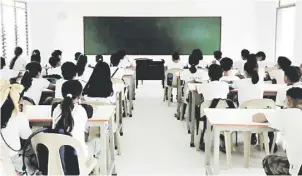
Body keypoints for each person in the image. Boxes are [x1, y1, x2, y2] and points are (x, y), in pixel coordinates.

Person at [253, 87, 302, 175]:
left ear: (288, 100)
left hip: (299, 168)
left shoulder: (287, 113)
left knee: (268, 161)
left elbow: (257, 118)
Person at [52, 80, 101, 163]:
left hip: (59, 156)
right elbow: (94, 109)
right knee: (97, 141)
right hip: (78, 157)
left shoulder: (56, 109)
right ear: (80, 95)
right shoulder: (82, 110)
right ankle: (91, 170)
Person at [0, 79, 36, 174]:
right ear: (17, 101)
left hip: (3, 162)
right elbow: (27, 137)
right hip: (12, 161)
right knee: (32, 154)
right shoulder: (19, 116)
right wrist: (23, 114)